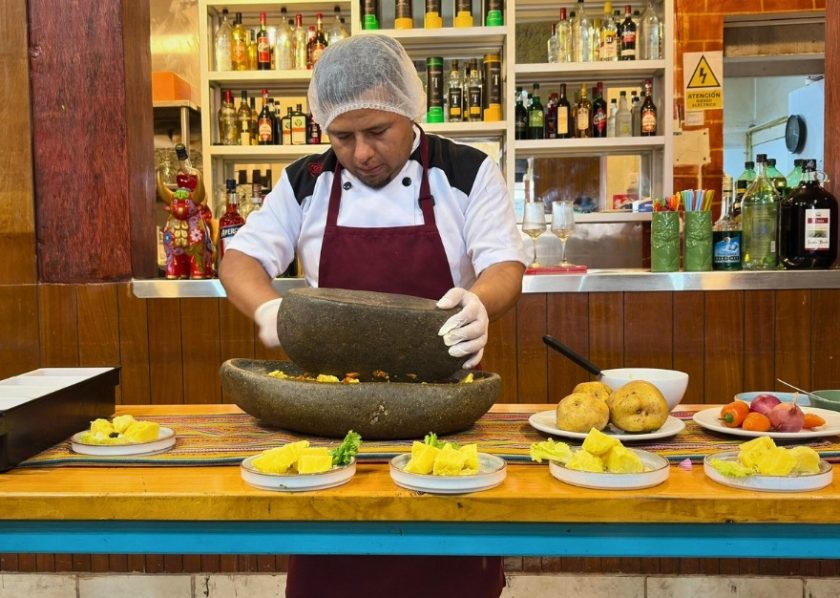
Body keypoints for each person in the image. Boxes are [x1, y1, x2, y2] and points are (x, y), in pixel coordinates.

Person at [220, 33, 527, 598]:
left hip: (442, 415)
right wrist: (266, 310)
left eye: (377, 132)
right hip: (331, 420)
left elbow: (504, 264)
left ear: (408, 111)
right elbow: (239, 258)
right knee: (333, 572)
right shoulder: (305, 182)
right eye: (342, 136)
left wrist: (481, 301)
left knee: (449, 575)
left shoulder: (467, 172)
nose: (361, 153)